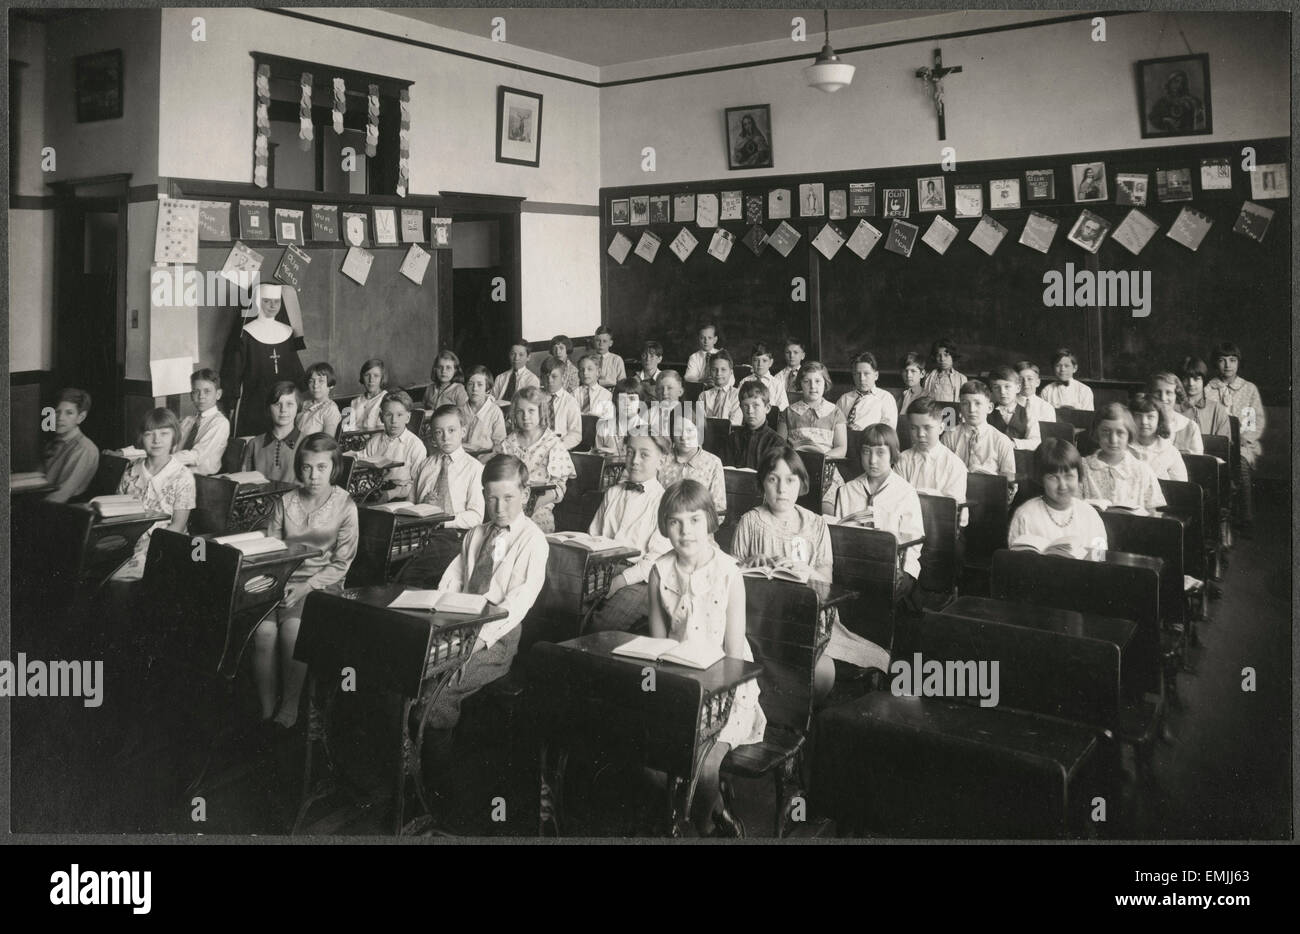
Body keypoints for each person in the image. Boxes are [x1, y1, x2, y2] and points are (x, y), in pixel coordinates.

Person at [648, 479, 764, 837]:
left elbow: (733, 655)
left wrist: (714, 700)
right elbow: (656, 647)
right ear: (664, 526)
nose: (685, 531)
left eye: (695, 520)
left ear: (711, 521)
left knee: (706, 766)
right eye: (675, 522)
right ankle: (712, 811)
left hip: (728, 690)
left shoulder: (729, 573)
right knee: (651, 763)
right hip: (680, 686)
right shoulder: (659, 571)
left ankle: (702, 827)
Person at [424, 454, 549, 735]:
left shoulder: (532, 540)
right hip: (459, 624)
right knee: (413, 671)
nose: (499, 508)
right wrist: (439, 619)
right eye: (492, 498)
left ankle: (433, 771)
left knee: (437, 693)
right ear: (483, 495)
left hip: (497, 637)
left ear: (525, 494)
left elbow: (519, 601)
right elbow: (453, 580)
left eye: (508, 498)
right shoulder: (476, 533)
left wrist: (476, 642)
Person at [257, 433, 358, 729]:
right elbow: (271, 551)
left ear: (334, 468)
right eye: (307, 468)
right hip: (282, 579)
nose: (313, 476)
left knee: (292, 630)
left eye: (321, 467)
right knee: (263, 632)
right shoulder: (285, 501)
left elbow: (342, 563)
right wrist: (277, 584)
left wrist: (304, 587)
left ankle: (289, 708)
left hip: (321, 584)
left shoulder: (345, 505)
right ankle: (266, 711)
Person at [728, 447, 836, 693]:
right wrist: (748, 564)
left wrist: (805, 569)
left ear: (802, 483)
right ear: (762, 483)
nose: (781, 489)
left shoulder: (816, 524)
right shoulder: (750, 521)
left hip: (806, 618)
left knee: (821, 674)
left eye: (790, 480)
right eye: (773, 479)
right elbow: (729, 578)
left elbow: (827, 583)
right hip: (756, 618)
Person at [829, 426, 925, 654]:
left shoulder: (905, 492)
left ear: (893, 454)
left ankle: (881, 654)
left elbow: (914, 542)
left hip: (894, 566)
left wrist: (906, 573)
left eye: (880, 452)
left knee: (883, 591)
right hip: (852, 566)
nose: (872, 460)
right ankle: (851, 651)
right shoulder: (848, 490)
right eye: (865, 452)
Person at [586, 433, 673, 633]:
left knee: (601, 626)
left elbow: (656, 560)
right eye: (630, 452)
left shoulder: (663, 502)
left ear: (661, 461)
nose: (634, 460)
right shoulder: (613, 493)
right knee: (568, 611)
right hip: (603, 571)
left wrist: (619, 581)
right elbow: (594, 537)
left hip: (641, 580)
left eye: (644, 455)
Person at [402, 405, 487, 587]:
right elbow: (410, 503)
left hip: (454, 536)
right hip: (420, 534)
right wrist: (422, 507)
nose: (445, 437)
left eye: (451, 430)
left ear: (463, 431)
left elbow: (476, 516)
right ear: (432, 436)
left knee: (416, 576)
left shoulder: (474, 469)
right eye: (439, 432)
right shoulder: (426, 466)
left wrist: (442, 521)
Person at [111, 408, 195, 581]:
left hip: (165, 543)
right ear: (142, 437)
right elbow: (118, 511)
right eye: (150, 434)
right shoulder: (131, 469)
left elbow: (178, 527)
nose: (157, 440)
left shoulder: (182, 475)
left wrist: (143, 549)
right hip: (129, 539)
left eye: (164, 433)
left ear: (174, 437)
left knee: (121, 579)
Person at [221, 282, 306, 437]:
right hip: (254, 404)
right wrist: (231, 402)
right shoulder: (246, 333)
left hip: (284, 405)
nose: (273, 306)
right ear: (257, 302)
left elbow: (296, 371)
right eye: (267, 301)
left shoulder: (287, 332)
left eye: (276, 301)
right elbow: (233, 372)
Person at [1007, 439, 1107, 557]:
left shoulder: (1090, 515)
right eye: (1053, 478)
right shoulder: (1025, 515)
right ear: (1040, 479)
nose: (1062, 486)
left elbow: (1099, 559)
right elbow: (1015, 562)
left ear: (1079, 477)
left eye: (1069, 476)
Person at [495, 387, 575, 533]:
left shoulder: (553, 444)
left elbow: (559, 488)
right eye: (520, 412)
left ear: (541, 412)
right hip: (508, 502)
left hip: (540, 505)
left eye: (531, 411)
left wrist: (530, 506)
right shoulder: (508, 443)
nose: (525, 417)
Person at [1206, 341, 1265, 532]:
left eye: (1232, 360)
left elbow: (1252, 424)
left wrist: (1238, 441)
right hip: (1215, 444)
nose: (1227, 365)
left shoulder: (1248, 389)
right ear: (1216, 363)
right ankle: (1218, 518)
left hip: (1242, 444)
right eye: (1222, 361)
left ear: (1238, 363)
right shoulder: (1208, 389)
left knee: (1240, 462)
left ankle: (1246, 516)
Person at [1079, 403, 1166, 514]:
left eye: (1120, 433)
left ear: (1129, 435)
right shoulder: (1083, 467)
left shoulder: (1142, 470)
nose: (1113, 440)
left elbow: (1152, 513)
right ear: (1096, 433)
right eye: (1105, 431)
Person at [943, 380, 1017, 502]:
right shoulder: (949, 436)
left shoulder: (1001, 441)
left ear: (989, 407)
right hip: (955, 498)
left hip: (989, 499)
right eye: (965, 403)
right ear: (960, 407)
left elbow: (1009, 484)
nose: (972, 409)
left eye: (978, 403)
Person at [897, 396, 969, 510]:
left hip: (938, 522)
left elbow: (952, 508)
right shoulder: (902, 459)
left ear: (941, 428)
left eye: (927, 428)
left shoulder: (955, 465)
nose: (920, 434)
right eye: (914, 428)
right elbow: (896, 497)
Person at [363, 390, 427, 502]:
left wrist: (392, 493)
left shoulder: (415, 445)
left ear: (407, 417)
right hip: (374, 492)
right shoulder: (373, 442)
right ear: (381, 417)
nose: (394, 421)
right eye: (388, 415)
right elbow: (364, 473)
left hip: (402, 497)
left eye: (399, 415)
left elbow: (418, 484)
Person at [658, 413, 726, 514]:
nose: (684, 437)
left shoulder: (713, 463)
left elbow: (718, 510)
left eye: (689, 430)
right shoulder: (662, 459)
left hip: (700, 527)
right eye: (678, 431)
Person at [42, 387, 99, 503]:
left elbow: (61, 494)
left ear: (80, 417)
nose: (60, 418)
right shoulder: (54, 442)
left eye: (69, 413)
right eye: (57, 412)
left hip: (64, 509)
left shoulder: (84, 449)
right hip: (43, 501)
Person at [241, 381, 302, 484]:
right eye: (277, 404)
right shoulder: (254, 444)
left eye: (289, 404)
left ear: (298, 407)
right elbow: (244, 482)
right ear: (268, 408)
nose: (283, 410)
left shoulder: (308, 443)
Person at [175, 369, 230, 476]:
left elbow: (196, 456)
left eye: (207, 391)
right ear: (191, 395)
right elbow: (173, 447)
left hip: (203, 480)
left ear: (218, 394)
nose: (201, 396)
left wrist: (163, 461)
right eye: (196, 391)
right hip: (178, 473)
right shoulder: (188, 421)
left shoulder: (220, 423)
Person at [725, 382, 786, 469]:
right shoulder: (733, 438)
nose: (750, 411)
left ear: (767, 408)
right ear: (741, 408)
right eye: (746, 406)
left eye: (756, 405)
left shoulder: (777, 443)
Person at [1129, 394, 1188, 481]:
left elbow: (1181, 488)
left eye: (1150, 417)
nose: (1144, 422)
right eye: (1138, 416)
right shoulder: (1124, 448)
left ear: (1159, 419)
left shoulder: (1170, 452)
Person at [837, 351, 898, 430]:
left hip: (870, 441)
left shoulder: (885, 398)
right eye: (858, 374)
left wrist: (862, 431)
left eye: (866, 374)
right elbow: (834, 424)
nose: (862, 379)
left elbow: (888, 432)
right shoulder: (844, 399)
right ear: (853, 376)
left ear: (876, 375)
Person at [986, 365, 1041, 450]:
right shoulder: (986, 412)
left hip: (1020, 458)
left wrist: (1013, 444)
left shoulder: (1028, 412)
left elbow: (1035, 441)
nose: (1002, 392)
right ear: (992, 390)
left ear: (1018, 388)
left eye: (1007, 387)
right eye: (997, 387)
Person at [1146, 372, 1202, 454]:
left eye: (1169, 393)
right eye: (1157, 392)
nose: (1163, 398)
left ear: (1177, 395)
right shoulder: (1144, 423)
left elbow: (1198, 461)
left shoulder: (1190, 427)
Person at [1177, 356, 1231, 440]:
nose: (1191, 383)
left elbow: (1223, 445)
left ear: (1204, 380)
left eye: (1196, 379)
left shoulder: (1218, 410)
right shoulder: (1174, 408)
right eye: (1186, 378)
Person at [461, 366, 507, 457]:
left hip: (485, 455)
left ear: (488, 388)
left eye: (480, 384)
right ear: (465, 387)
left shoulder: (495, 412)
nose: (475, 389)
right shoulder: (459, 411)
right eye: (470, 384)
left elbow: (500, 442)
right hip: (462, 454)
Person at [541, 356, 582, 450]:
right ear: (541, 378)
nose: (549, 380)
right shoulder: (535, 398)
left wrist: (558, 446)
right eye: (546, 376)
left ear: (563, 378)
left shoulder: (570, 402)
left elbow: (575, 434)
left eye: (554, 376)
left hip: (560, 448)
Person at [1147, 68, 1205, 133]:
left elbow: (1202, 118)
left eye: (1182, 83)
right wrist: (1166, 120)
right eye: (1176, 81)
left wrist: (1194, 109)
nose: (1179, 85)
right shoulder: (1162, 102)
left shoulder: (1192, 100)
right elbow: (1152, 118)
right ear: (1169, 83)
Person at [738, 342, 789, 412]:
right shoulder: (744, 382)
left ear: (770, 362)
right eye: (756, 360)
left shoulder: (777, 384)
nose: (760, 364)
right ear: (751, 361)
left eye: (764, 360)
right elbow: (738, 406)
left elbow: (783, 409)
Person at [296, 362, 342, 438]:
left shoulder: (330, 409)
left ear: (330, 385)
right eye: (311, 381)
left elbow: (327, 442)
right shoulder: (304, 403)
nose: (315, 385)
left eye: (321, 381)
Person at [344, 358, 389, 431]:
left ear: (382, 378)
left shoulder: (386, 399)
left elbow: (383, 430)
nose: (371, 380)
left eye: (376, 375)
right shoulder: (355, 402)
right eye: (367, 375)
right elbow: (349, 429)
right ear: (362, 377)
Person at [700, 350, 743, 426]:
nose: (718, 373)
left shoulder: (737, 395)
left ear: (731, 372)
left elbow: (735, 423)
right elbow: (700, 422)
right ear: (710, 372)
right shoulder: (703, 395)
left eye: (723, 370)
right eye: (714, 370)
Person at [492, 342, 540, 406]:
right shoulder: (500, 377)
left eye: (521, 355)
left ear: (528, 357)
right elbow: (493, 399)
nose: (516, 358)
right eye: (513, 354)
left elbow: (529, 404)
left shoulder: (532, 379)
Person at [921, 337, 965, 403]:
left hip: (952, 411)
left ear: (953, 356)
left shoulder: (961, 378)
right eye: (938, 356)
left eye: (946, 355)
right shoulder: (928, 377)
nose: (942, 359)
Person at [1015, 360, 1057, 425]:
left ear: (1037, 382)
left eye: (1030, 379)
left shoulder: (1046, 408)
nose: (1025, 383)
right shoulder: (1008, 404)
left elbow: (1049, 433)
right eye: (1020, 379)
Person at [773, 338, 806, 405]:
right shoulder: (778, 377)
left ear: (803, 356)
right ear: (784, 355)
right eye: (788, 352)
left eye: (795, 352)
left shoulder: (807, 375)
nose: (791, 356)